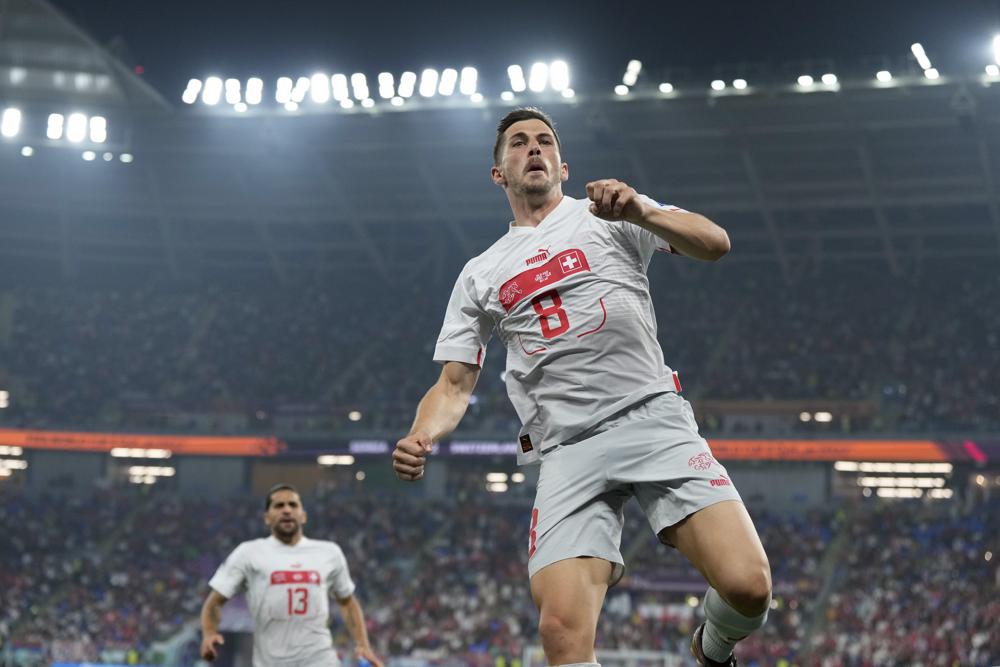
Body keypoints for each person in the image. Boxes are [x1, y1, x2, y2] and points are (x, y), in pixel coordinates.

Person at [392, 107, 771, 666]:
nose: (533, 149)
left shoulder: (610, 214)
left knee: (749, 587)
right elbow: (454, 382)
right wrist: (421, 433)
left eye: (544, 141)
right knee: (561, 636)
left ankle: (712, 650)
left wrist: (642, 207)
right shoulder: (480, 272)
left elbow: (714, 244)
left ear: (564, 166)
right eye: (518, 144)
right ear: (499, 173)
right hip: (568, 450)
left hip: (652, 419)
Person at [200, 484, 382, 667]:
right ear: (267, 518)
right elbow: (213, 603)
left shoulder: (329, 552)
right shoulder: (248, 553)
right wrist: (209, 633)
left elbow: (348, 603)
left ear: (303, 515)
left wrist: (363, 644)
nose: (286, 510)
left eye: (293, 505)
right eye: (279, 506)